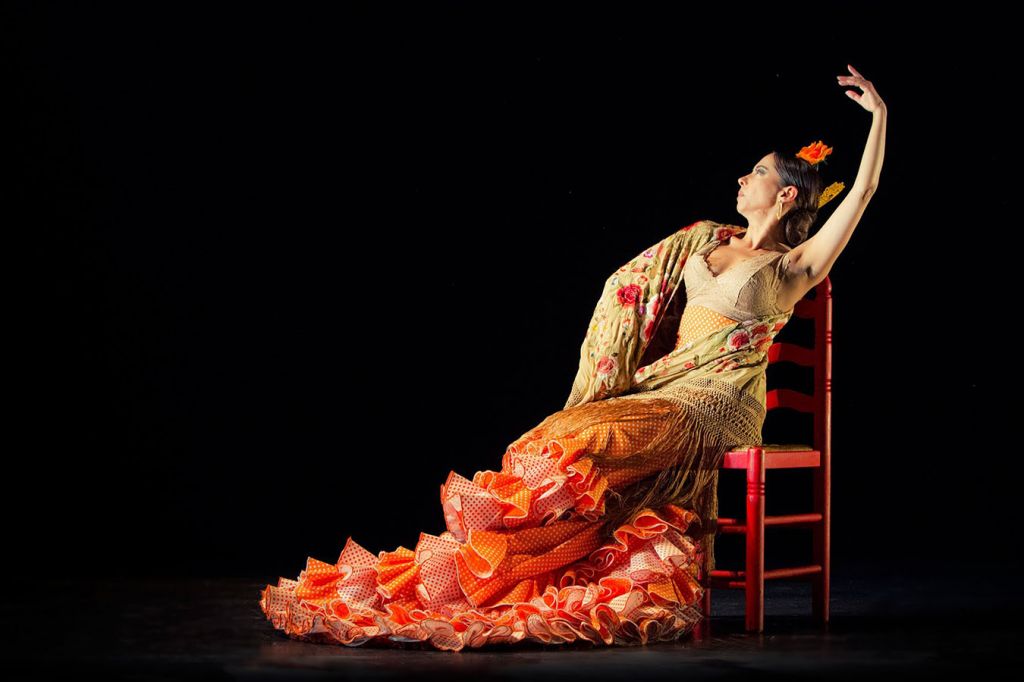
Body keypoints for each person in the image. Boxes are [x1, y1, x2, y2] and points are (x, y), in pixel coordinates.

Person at [259, 65, 886, 651]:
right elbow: (634, 292)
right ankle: (504, 570)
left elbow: (860, 194)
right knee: (551, 438)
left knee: (587, 443)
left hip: (716, 405)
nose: (743, 178)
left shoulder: (792, 268)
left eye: (758, 173)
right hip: (663, 389)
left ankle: (527, 567)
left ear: (785, 196)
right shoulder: (703, 243)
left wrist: (879, 116)